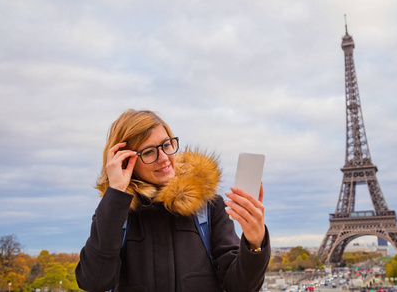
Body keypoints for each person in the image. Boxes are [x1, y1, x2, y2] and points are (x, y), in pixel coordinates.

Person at [75, 109, 271, 292]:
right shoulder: (116, 212)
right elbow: (93, 281)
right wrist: (116, 194)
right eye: (149, 152)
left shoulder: (208, 207)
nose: (164, 158)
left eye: (167, 145)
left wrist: (254, 243)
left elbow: (240, 287)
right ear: (126, 161)